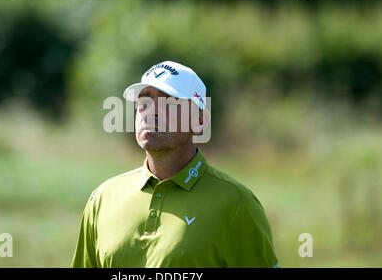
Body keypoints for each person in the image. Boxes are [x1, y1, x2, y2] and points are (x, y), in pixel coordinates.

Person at [71, 61, 279, 267]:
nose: (151, 112)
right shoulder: (102, 199)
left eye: (168, 103)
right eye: (144, 103)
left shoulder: (237, 205)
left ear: (199, 121)